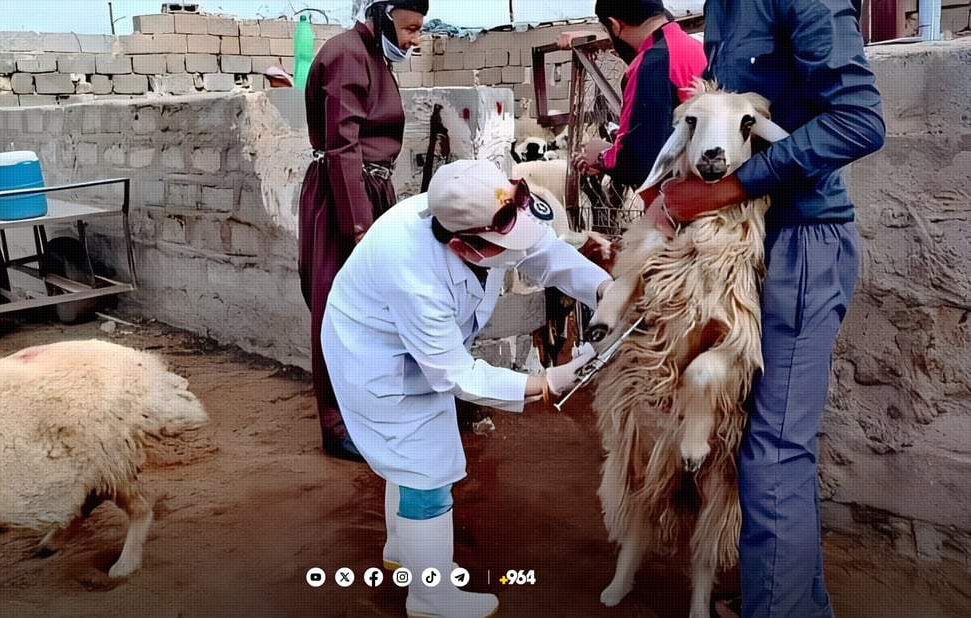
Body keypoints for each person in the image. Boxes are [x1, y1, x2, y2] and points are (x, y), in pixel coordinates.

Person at [652, 1, 886, 616]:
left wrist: (731, 187)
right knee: (769, 446)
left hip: (802, 245)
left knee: (773, 451)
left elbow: (859, 121)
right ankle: (792, 605)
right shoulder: (720, 7)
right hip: (750, 245)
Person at [322, 159, 611, 617]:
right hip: (373, 355)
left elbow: (543, 253)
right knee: (428, 469)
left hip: (401, 339)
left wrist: (603, 290)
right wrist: (543, 382)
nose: (517, 249)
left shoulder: (481, 211)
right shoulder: (413, 269)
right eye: (503, 246)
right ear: (464, 246)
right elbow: (455, 374)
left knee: (410, 459)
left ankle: (404, 551)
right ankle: (430, 596)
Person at [298, 0, 428, 462]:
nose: (414, 39)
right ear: (383, 12)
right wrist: (359, 227)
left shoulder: (372, 56)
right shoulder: (348, 55)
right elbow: (342, 146)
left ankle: (364, 411)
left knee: (371, 311)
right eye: (410, 27)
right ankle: (336, 426)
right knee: (337, 308)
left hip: (367, 191)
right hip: (342, 195)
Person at [558, 0, 707, 194]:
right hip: (706, 183)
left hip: (680, 198)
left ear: (615, 25)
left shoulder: (649, 66)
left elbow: (642, 159)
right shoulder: (692, 47)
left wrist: (602, 156)